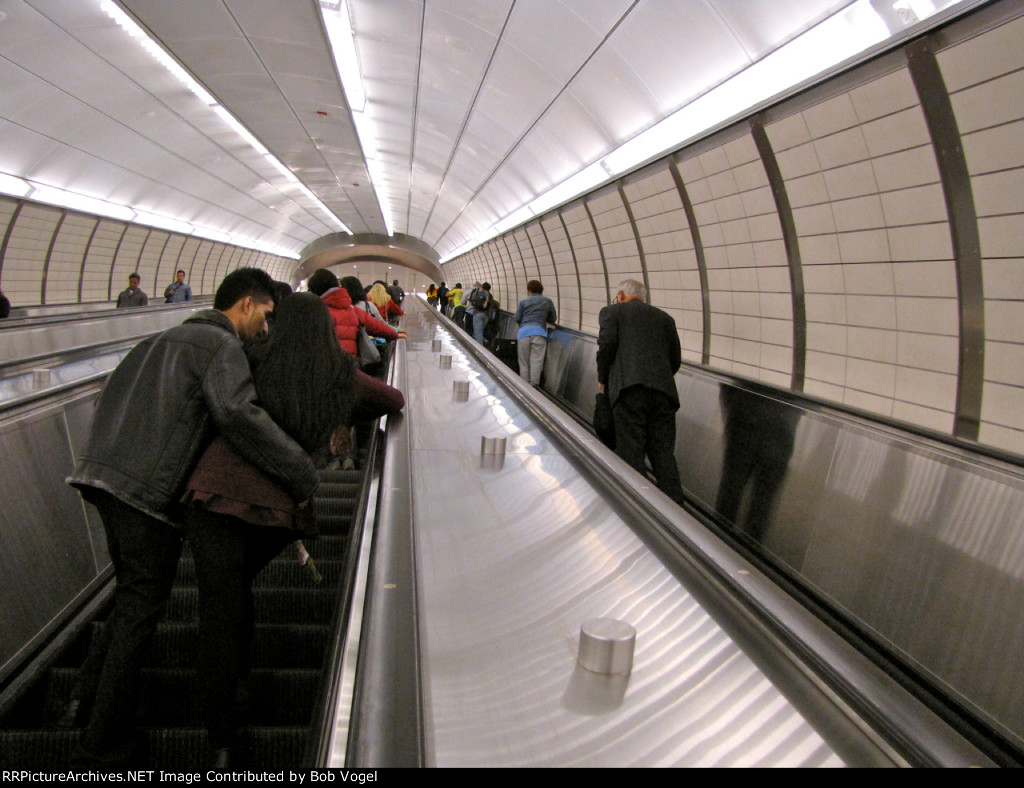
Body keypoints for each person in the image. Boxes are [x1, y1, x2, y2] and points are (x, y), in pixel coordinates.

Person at [65, 268, 319, 768]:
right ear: (246, 304)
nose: (265, 329)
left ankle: (80, 698)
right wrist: (302, 474)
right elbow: (238, 414)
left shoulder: (159, 338)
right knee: (141, 611)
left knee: (131, 596)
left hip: (103, 477)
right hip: (145, 491)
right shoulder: (219, 348)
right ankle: (100, 743)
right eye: (265, 316)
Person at [181, 292, 357, 765]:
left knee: (219, 604)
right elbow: (391, 396)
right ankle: (239, 691)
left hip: (213, 494)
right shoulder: (338, 374)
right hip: (277, 509)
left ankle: (221, 736)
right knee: (237, 590)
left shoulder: (250, 356)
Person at [596, 279, 684, 505]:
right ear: (642, 297)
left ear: (621, 295)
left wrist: (602, 379)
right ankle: (676, 511)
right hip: (664, 394)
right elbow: (675, 359)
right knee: (663, 455)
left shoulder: (612, 312)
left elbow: (606, 346)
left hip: (628, 390)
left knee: (631, 451)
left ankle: (638, 506)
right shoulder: (665, 319)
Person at [306, 269, 405, 360]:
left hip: (327, 366)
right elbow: (377, 326)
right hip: (351, 366)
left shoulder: (314, 313)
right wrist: (395, 334)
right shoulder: (352, 309)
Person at [514, 280, 557, 387]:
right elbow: (553, 318)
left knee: (524, 362)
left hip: (524, 333)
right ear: (541, 290)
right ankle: (534, 385)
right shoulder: (547, 301)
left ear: (529, 291)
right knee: (536, 361)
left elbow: (517, 318)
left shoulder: (523, 302)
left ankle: (524, 386)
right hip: (539, 333)